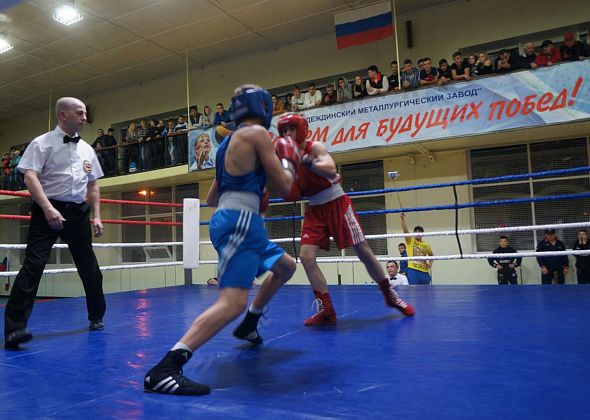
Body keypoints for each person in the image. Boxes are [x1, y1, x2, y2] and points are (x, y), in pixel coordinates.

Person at [144, 85, 301, 396]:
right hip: (242, 222)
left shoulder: (227, 142)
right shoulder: (257, 134)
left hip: (232, 220)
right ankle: (165, 369)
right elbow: (286, 187)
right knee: (232, 302)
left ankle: (249, 324)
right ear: (265, 108)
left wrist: (251, 187)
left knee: (286, 266)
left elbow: (211, 197)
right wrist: (290, 159)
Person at [272, 113, 414, 326]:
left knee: (363, 250)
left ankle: (389, 295)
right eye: (284, 131)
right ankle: (326, 309)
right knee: (306, 257)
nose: (288, 134)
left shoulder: (314, 147)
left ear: (300, 130)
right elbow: (288, 188)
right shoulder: (285, 158)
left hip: (337, 203)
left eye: (291, 129)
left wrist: (306, 161)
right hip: (314, 209)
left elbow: (330, 168)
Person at [4, 97, 106, 349]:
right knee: (33, 266)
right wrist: (48, 208)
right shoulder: (41, 143)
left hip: (78, 213)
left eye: (84, 113)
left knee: (89, 267)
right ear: (63, 115)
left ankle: (96, 316)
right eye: (80, 113)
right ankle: (14, 330)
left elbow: (93, 185)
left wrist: (97, 215)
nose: (84, 117)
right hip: (45, 210)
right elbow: (30, 177)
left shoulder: (88, 150)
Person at [400, 213, 433, 285]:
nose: (418, 233)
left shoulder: (426, 245)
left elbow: (431, 255)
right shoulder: (410, 240)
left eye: (420, 232)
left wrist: (430, 264)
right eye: (416, 232)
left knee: (426, 293)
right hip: (413, 270)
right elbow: (405, 231)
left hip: (425, 272)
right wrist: (402, 219)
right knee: (413, 293)